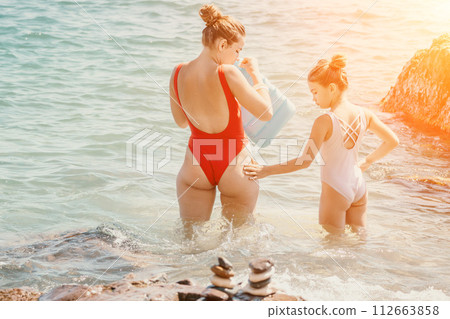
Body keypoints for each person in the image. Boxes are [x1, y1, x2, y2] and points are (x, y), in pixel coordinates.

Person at [243, 55, 399, 232]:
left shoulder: (324, 121)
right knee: (359, 241)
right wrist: (367, 161)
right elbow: (392, 141)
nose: (313, 99)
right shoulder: (365, 114)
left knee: (332, 245)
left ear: (331, 88)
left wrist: (266, 170)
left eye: (315, 92)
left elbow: (305, 160)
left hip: (336, 189)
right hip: (359, 187)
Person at [169, 4, 272, 226]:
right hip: (234, 165)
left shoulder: (178, 72)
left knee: (189, 238)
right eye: (237, 50)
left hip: (195, 164)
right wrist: (256, 76)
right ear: (222, 44)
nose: (237, 57)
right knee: (238, 239)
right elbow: (266, 113)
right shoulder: (227, 72)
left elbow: (180, 122)